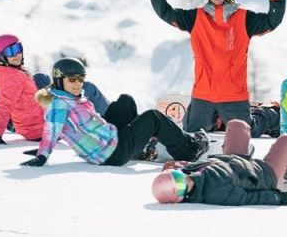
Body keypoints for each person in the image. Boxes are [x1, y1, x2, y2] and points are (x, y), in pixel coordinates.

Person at [149, 0, 285, 132]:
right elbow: (167, 13)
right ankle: (218, 120)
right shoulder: (195, 18)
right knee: (190, 130)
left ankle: (271, 112)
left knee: (251, 131)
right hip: (204, 94)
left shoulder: (244, 19)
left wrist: (277, 1)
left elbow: (271, 22)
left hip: (233, 94)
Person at [20, 57, 208, 168]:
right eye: (72, 79)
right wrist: (42, 156)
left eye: (80, 79)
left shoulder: (67, 97)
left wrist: (41, 149)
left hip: (110, 139)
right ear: (60, 80)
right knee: (153, 117)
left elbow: (62, 130)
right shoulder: (59, 105)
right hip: (112, 153)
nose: (78, 83)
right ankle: (189, 151)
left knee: (125, 102)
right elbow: (52, 130)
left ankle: (140, 145)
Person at [152, 119, 287, 206]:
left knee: (236, 125)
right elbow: (249, 198)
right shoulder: (216, 193)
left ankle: (245, 150)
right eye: (180, 186)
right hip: (263, 174)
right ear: (180, 197)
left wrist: (178, 167)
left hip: (234, 160)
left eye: (178, 177)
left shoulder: (191, 175)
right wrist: (282, 198)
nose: (185, 180)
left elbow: (186, 170)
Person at [0, 34, 45, 144]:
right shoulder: (12, 78)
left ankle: (10, 123)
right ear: (0, 56)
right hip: (40, 129)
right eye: (11, 51)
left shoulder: (8, 71)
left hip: (32, 119)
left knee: (40, 79)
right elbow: (5, 105)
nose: (17, 54)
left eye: (18, 48)